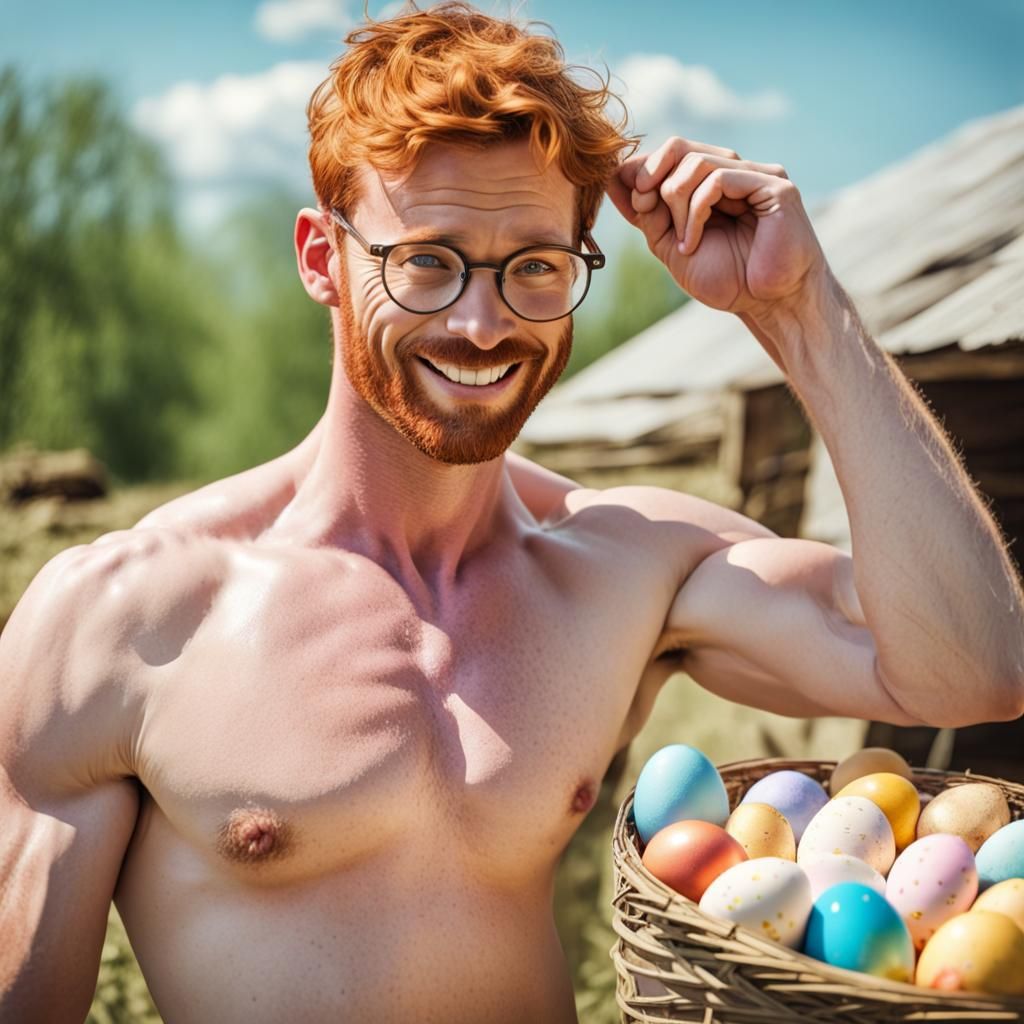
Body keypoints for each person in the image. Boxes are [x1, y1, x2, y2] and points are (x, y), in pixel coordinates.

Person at [2, 4, 1022, 1022]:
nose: (483, 323)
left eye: (535, 266)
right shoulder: (122, 617)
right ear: (322, 259)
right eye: (428, 259)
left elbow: (968, 666)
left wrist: (796, 310)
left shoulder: (626, 567)